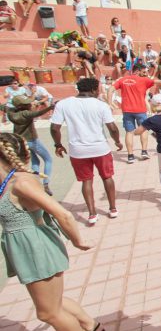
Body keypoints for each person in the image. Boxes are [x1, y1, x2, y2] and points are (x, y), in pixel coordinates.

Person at [0, 132, 103, 331]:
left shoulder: (21, 183)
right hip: (28, 247)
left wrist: (78, 241)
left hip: (36, 249)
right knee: (53, 302)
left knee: (47, 312)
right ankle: (90, 326)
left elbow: (62, 214)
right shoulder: (13, 179)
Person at [50, 78, 123, 225]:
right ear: (94, 90)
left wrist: (58, 144)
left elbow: (54, 128)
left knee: (86, 181)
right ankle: (113, 208)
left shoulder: (64, 104)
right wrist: (117, 142)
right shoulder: (101, 105)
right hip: (100, 148)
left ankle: (92, 213)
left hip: (78, 150)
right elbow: (113, 128)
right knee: (107, 177)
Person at [108, 65, 161, 164]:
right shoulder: (143, 80)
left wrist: (110, 102)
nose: (145, 73)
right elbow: (160, 82)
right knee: (144, 130)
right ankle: (144, 152)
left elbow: (111, 89)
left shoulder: (123, 80)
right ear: (138, 71)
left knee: (129, 132)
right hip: (140, 109)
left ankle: (130, 156)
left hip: (127, 110)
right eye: (143, 71)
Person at [8, 95, 56, 196]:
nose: (29, 104)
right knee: (48, 159)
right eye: (27, 103)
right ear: (22, 106)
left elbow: (4, 107)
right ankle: (46, 183)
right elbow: (38, 113)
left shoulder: (11, 112)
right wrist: (50, 107)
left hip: (21, 141)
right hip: (32, 140)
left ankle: (36, 183)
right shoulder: (26, 113)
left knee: (35, 161)